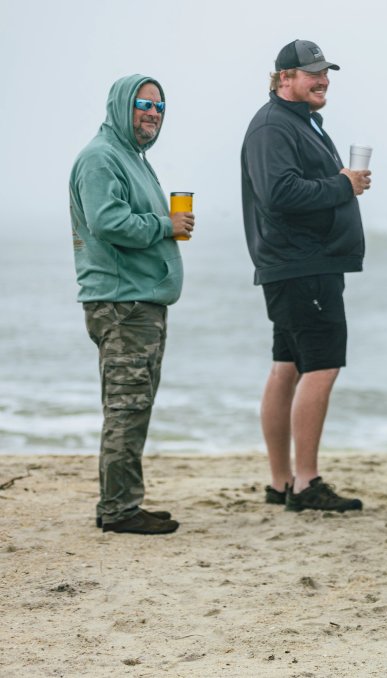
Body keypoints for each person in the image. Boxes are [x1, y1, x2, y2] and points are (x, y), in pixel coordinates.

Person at [241, 39, 371, 512]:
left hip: (298, 264)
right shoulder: (273, 126)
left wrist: (342, 182)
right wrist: (342, 184)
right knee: (321, 366)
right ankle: (305, 483)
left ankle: (281, 482)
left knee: (288, 366)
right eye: (312, 73)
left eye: (325, 72)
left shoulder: (297, 122)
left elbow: (292, 185)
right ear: (284, 79)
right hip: (302, 264)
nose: (323, 79)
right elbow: (279, 193)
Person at [69, 74, 191, 534]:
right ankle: (119, 510)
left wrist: (164, 223)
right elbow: (107, 222)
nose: (153, 113)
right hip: (123, 306)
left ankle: (122, 501)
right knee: (125, 407)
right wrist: (165, 224)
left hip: (140, 304)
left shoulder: (131, 157)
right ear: (122, 104)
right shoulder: (101, 158)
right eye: (144, 103)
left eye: (160, 107)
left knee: (134, 406)